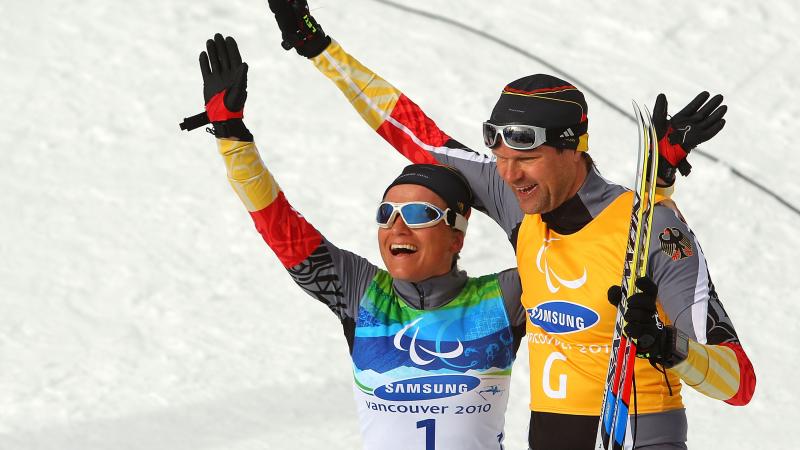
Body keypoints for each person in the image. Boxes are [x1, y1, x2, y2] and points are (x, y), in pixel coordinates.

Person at [266, 2, 757, 449]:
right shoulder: (521, 206)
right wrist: (318, 48)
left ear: (573, 148)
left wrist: (667, 346)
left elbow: (739, 383)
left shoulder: (653, 229)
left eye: (526, 157)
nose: (507, 174)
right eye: (499, 157)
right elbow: (413, 132)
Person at [185, 33, 531, 450]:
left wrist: (323, 53)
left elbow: (529, 216)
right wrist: (230, 136)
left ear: (457, 235)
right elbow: (279, 224)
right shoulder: (362, 292)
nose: (397, 229)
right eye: (386, 214)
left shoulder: (508, 295)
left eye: (420, 215)